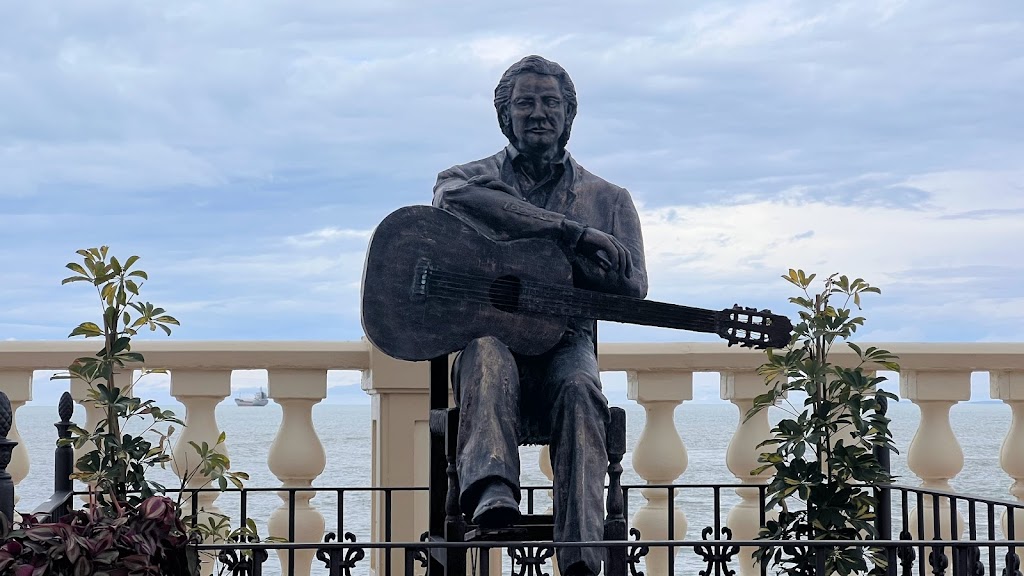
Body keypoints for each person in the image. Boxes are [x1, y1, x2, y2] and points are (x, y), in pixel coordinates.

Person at [431, 55, 648, 576]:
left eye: (551, 102)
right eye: (525, 102)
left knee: (580, 390)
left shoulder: (608, 199)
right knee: (486, 352)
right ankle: (492, 492)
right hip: (492, 340)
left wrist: (583, 266)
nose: (538, 113)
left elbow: (634, 286)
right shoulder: (467, 180)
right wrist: (568, 231)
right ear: (505, 115)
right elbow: (446, 198)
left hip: (565, 344)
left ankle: (581, 558)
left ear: (569, 114)